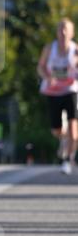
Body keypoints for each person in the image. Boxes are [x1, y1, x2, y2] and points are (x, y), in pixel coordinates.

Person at [37, 17, 77, 175]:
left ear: (72, 33)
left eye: (66, 29)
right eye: (60, 28)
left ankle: (67, 159)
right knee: (56, 130)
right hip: (52, 91)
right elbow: (40, 67)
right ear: (57, 32)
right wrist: (47, 78)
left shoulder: (75, 50)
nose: (63, 32)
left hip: (71, 90)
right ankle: (63, 138)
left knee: (74, 131)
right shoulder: (49, 48)